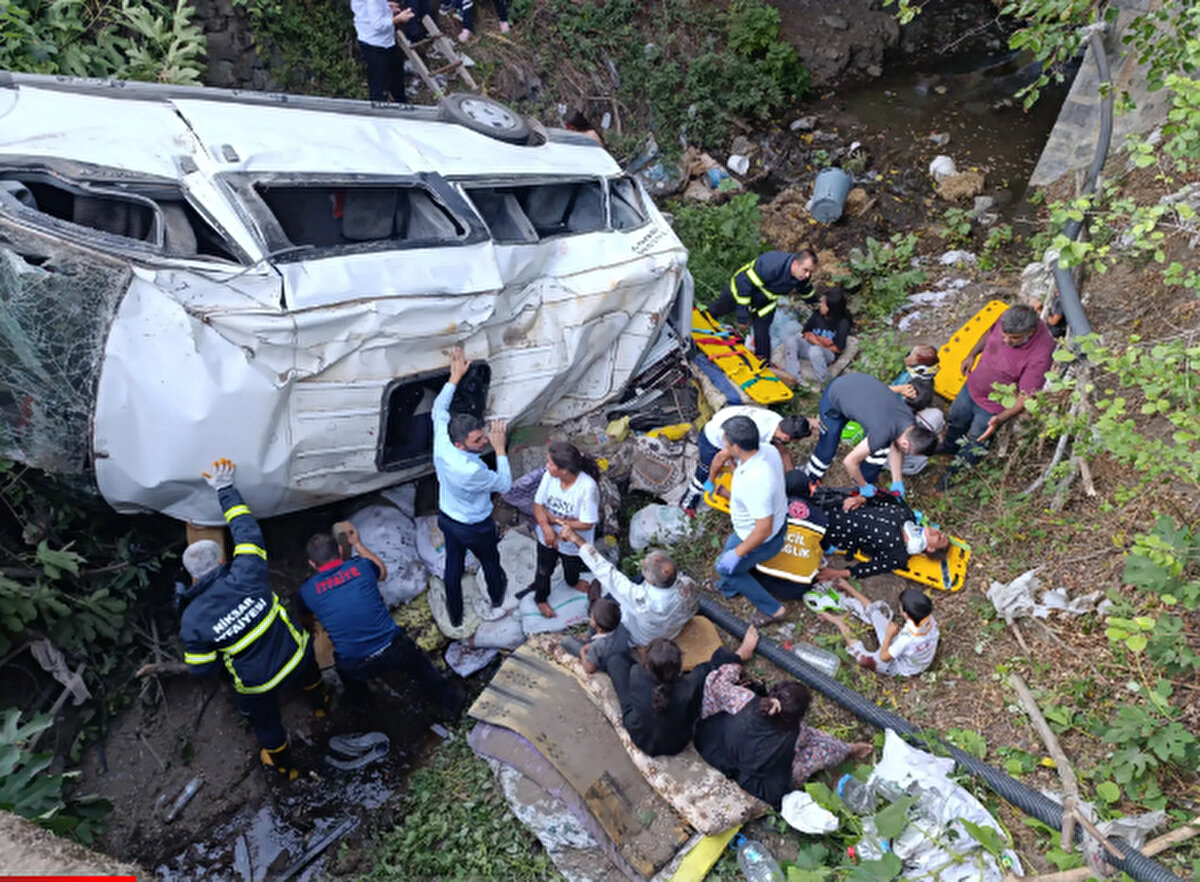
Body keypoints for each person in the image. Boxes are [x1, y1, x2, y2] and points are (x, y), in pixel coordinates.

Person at [178, 459, 327, 781]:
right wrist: (224, 488)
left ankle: (284, 766)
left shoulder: (192, 619)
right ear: (222, 560)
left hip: (258, 683)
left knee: (266, 723)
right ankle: (321, 705)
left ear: (193, 577)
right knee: (310, 672)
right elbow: (246, 530)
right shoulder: (248, 571)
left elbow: (201, 669)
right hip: (296, 654)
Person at [296, 526, 463, 718]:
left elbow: (305, 619)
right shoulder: (361, 567)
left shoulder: (307, 591)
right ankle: (450, 703)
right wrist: (357, 544)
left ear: (312, 563)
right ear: (340, 551)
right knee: (420, 664)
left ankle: (363, 706)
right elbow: (382, 572)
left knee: (344, 669)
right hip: (393, 650)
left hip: (356, 664)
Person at [696, 666, 872, 807]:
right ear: (799, 717)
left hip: (716, 749)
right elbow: (825, 745)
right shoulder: (799, 735)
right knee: (822, 750)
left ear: (772, 693)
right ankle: (852, 750)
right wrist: (846, 748)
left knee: (717, 702)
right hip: (755, 780)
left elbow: (716, 681)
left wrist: (735, 667)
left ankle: (848, 750)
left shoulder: (743, 699)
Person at [432, 347, 511, 628]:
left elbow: (439, 409)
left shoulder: (443, 442)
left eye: (483, 436)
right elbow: (504, 484)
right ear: (460, 444)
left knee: (453, 566)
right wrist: (500, 449)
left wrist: (454, 379)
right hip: (475, 526)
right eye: (478, 441)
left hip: (448, 518)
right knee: (491, 562)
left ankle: (455, 615)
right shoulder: (471, 470)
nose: (485, 441)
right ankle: (497, 598)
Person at [937, 303, 1056, 490]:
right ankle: (949, 446)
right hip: (972, 386)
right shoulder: (1008, 318)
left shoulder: (1041, 353)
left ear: (1031, 332)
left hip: (992, 407)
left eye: (1014, 338)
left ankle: (955, 473)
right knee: (956, 416)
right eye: (1004, 335)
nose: (1006, 341)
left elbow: (1025, 396)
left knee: (977, 440)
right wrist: (972, 354)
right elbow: (989, 333)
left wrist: (999, 419)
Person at [595, 625, 759, 756]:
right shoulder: (689, 685)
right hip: (676, 744)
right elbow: (708, 668)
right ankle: (742, 654)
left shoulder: (637, 675)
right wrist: (739, 654)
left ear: (647, 665)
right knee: (703, 676)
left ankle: (594, 654)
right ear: (679, 668)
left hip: (639, 735)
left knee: (616, 661)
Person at [800, 373, 939, 499]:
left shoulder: (909, 423)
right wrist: (863, 486)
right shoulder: (882, 434)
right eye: (909, 451)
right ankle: (809, 478)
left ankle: (863, 479)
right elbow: (849, 461)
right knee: (828, 446)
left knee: (881, 450)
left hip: (859, 386)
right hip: (836, 395)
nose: (906, 453)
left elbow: (897, 447)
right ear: (906, 443)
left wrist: (897, 481)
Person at [560, 522, 699, 647]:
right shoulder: (688, 584)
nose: (643, 563)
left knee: (600, 609)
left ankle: (591, 640)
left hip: (642, 637)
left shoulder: (642, 600)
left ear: (652, 581)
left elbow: (606, 572)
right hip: (671, 630)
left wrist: (576, 539)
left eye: (645, 567)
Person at [712, 415, 790, 626]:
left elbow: (763, 530)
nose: (724, 446)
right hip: (769, 524)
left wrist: (738, 553)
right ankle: (728, 587)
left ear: (737, 447)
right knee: (729, 559)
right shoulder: (769, 450)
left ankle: (773, 609)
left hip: (761, 539)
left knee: (724, 567)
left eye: (726, 443)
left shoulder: (755, 482)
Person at [804, 487, 950, 584]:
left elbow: (871, 568)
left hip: (827, 529)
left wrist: (837, 573)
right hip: (834, 503)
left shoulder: (898, 555)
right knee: (797, 484)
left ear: (930, 548)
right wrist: (860, 499)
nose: (937, 532)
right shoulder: (907, 514)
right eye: (941, 532)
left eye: (939, 538)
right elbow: (881, 496)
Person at [683, 405, 813, 513]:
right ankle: (688, 503)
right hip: (712, 436)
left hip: (727, 422)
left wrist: (791, 479)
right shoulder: (755, 435)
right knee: (704, 471)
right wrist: (711, 481)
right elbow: (721, 457)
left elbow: (783, 451)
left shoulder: (778, 422)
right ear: (786, 437)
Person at [707, 250, 818, 365]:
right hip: (740, 292)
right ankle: (700, 324)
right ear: (795, 264)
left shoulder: (801, 277)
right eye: (805, 270)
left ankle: (763, 363)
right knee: (718, 309)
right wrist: (742, 317)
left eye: (810, 272)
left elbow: (806, 290)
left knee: (762, 333)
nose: (807, 275)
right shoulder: (771, 265)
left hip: (765, 303)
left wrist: (816, 304)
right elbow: (744, 284)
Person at [533, 440, 601, 618]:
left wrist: (556, 521)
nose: (547, 467)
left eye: (551, 464)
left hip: (572, 538)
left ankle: (572, 581)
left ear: (564, 470)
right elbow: (538, 504)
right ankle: (541, 598)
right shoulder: (549, 477)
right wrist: (546, 527)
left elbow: (587, 523)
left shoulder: (587, 487)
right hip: (548, 535)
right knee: (543, 570)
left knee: (572, 564)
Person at [819, 584, 939, 677]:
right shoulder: (927, 618)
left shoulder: (906, 639)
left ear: (906, 614)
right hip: (917, 657)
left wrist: (889, 636)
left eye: (900, 606)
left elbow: (883, 657)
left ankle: (839, 622)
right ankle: (848, 588)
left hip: (900, 667)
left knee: (864, 660)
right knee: (876, 615)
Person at [785, 287, 853, 386]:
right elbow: (806, 332)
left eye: (823, 303)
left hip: (827, 354)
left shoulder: (842, 323)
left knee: (815, 351)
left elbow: (838, 349)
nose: (820, 304)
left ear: (831, 307)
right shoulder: (817, 315)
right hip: (810, 346)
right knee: (791, 340)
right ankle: (793, 377)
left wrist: (817, 342)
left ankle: (826, 383)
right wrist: (817, 338)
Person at [351, 0, 415, 103]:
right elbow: (378, 25)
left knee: (396, 78)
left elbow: (364, 8)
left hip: (372, 39)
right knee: (380, 87)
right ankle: (380, 109)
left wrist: (385, 7)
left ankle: (399, 103)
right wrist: (399, 18)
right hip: (377, 44)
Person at [577, 596, 623, 674]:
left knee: (567, 641)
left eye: (591, 617)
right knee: (590, 631)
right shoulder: (621, 628)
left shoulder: (596, 646)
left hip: (602, 663)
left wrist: (582, 651)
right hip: (614, 651)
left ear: (599, 628)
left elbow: (590, 669)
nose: (590, 618)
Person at [889, 343, 940, 412]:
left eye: (911, 359)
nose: (906, 359)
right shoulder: (910, 374)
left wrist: (902, 394)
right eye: (909, 354)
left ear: (920, 369)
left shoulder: (920, 391)